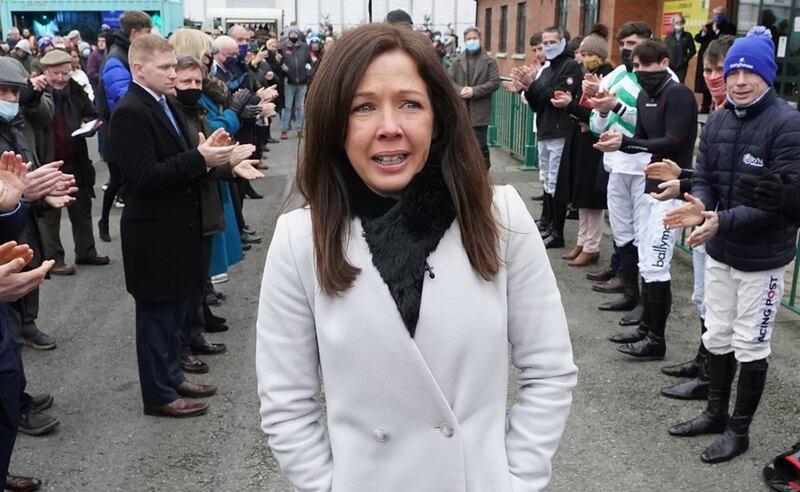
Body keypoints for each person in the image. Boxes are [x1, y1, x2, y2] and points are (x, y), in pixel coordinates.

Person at [256, 23, 577, 490]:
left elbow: (549, 368)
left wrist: (516, 478)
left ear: (438, 118)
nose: (390, 127)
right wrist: (329, 485)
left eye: (410, 104)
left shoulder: (498, 217)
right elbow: (286, 401)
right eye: (363, 107)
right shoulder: (300, 238)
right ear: (333, 124)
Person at [663, 27, 800, 464]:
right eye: (734, 70)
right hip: (720, 249)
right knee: (716, 334)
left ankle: (739, 432)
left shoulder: (788, 124)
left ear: (768, 75)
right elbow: (704, 173)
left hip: (762, 259)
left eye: (750, 71)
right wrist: (699, 202)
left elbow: (781, 201)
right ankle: (715, 413)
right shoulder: (719, 117)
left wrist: (717, 221)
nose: (740, 80)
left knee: (751, 343)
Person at [107, 34, 234, 418]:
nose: (173, 76)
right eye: (164, 69)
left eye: (173, 67)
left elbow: (183, 156)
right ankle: (158, 395)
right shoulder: (131, 111)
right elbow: (144, 177)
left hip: (178, 229)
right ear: (138, 69)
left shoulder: (165, 104)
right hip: (153, 235)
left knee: (177, 311)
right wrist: (199, 158)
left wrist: (207, 153)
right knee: (156, 319)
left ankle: (172, 376)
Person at [593, 39, 698, 360]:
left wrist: (628, 144)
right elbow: (642, 139)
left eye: (645, 65)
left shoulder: (678, 94)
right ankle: (646, 330)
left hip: (673, 188)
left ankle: (656, 339)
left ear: (664, 62)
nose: (639, 71)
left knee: (656, 262)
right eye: (635, 66)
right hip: (649, 184)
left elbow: (673, 141)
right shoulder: (644, 94)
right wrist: (619, 143)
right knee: (645, 258)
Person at [34, 49, 108, 275]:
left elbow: (91, 113)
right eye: (55, 73)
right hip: (48, 161)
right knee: (50, 214)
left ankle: (86, 251)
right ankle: (54, 259)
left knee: (82, 207)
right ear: (44, 72)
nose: (60, 78)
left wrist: (88, 125)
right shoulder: (38, 95)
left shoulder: (76, 90)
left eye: (64, 73)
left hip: (76, 158)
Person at [511, 26, 582, 249]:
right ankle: (548, 222)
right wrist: (527, 88)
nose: (548, 46)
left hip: (560, 129)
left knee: (556, 181)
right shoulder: (548, 68)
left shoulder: (570, 67)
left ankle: (557, 230)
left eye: (553, 42)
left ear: (563, 42)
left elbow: (556, 97)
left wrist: (534, 85)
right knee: (548, 179)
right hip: (545, 127)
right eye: (546, 42)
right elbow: (538, 102)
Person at [552, 25, 613, 267]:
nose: (585, 59)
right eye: (583, 54)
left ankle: (592, 245)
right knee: (582, 195)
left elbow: (596, 113)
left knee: (592, 197)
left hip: (595, 141)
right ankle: (582, 240)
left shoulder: (606, 76)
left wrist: (571, 106)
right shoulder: (586, 76)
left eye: (589, 55)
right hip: (582, 138)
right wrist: (572, 108)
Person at [96, 10, 153, 242]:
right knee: (119, 181)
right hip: (116, 133)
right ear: (134, 33)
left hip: (119, 131)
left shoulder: (122, 53)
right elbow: (121, 95)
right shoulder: (116, 58)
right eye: (147, 32)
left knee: (124, 181)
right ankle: (104, 222)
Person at [448, 27, 500, 169]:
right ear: (464, 41)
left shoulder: (489, 61)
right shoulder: (457, 61)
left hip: (480, 111)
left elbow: (494, 82)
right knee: (463, 145)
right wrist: (460, 90)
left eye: (474, 38)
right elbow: (449, 80)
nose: (472, 41)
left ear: (480, 39)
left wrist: (474, 91)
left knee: (480, 144)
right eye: (469, 39)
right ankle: (467, 174)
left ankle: (483, 173)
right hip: (462, 110)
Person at [695, 6, 736, 113]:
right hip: (707, 57)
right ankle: (705, 105)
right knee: (707, 84)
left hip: (721, 57)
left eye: (719, 14)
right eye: (715, 14)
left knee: (719, 82)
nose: (716, 17)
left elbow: (727, 39)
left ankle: (717, 106)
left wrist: (716, 31)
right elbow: (698, 38)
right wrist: (704, 32)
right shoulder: (708, 26)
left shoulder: (729, 27)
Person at [279, 26, 312, 139]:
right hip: (289, 81)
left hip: (302, 81)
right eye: (291, 33)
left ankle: (300, 129)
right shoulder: (283, 47)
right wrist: (284, 69)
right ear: (288, 35)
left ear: (298, 34)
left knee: (300, 107)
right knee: (287, 107)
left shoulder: (305, 47)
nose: (293, 35)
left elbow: (310, 62)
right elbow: (279, 62)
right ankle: (284, 129)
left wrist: (308, 73)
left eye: (295, 33)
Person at [665, 15, 696, 83]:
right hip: (670, 65)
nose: (678, 24)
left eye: (680, 22)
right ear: (673, 24)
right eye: (676, 22)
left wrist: (685, 59)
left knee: (680, 82)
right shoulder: (668, 37)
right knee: (669, 83)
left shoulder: (688, 36)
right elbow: (665, 50)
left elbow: (693, 50)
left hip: (681, 66)